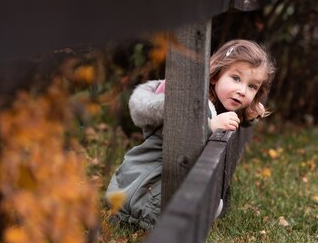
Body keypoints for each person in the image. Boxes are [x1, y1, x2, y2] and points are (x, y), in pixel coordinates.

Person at [106, 39, 276, 230]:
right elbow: (181, 139)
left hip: (161, 182)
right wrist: (209, 126)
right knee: (202, 207)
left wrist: (249, 115)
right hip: (144, 188)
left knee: (208, 203)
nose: (242, 91)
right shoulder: (189, 103)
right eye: (236, 78)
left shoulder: (218, 102)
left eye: (252, 86)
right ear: (214, 77)